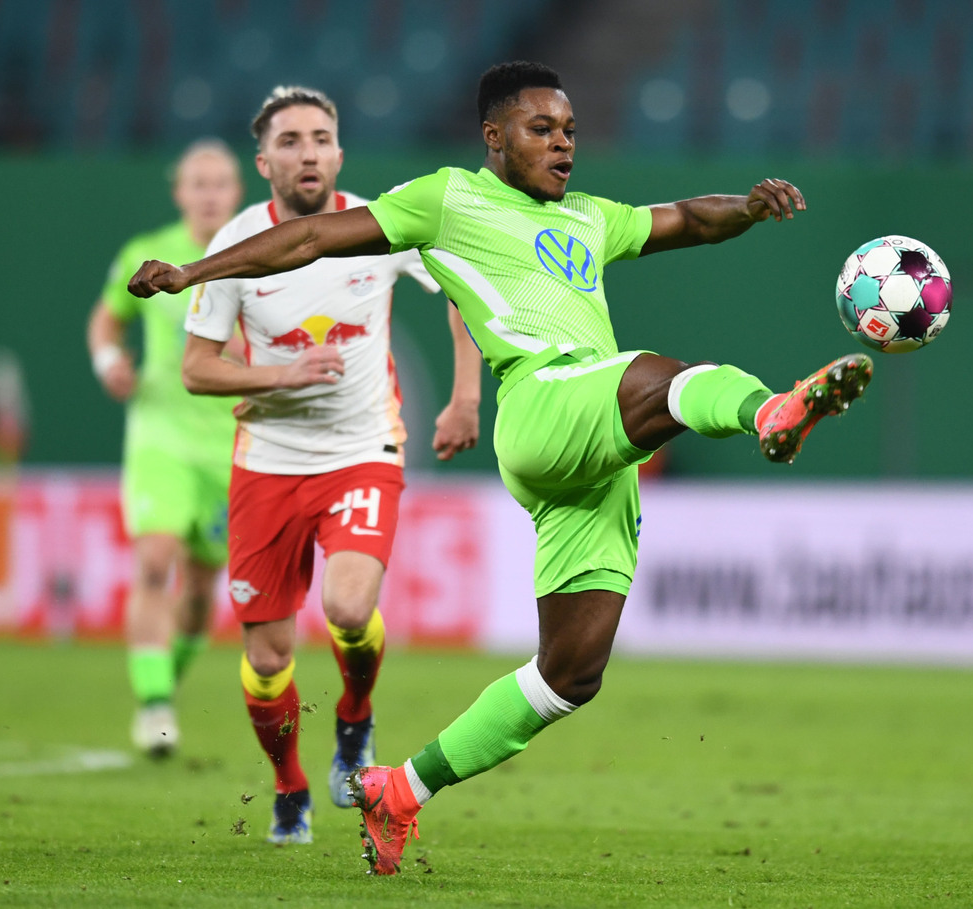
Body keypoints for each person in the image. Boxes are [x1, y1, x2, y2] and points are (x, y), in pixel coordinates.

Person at [129, 62, 873, 873]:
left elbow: (689, 218)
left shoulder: (589, 216)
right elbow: (310, 238)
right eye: (541, 129)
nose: (563, 145)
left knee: (568, 676)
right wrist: (193, 273)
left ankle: (399, 790)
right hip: (543, 404)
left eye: (570, 131)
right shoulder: (448, 199)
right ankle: (770, 411)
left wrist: (751, 208)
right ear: (494, 137)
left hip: (595, 464)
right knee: (663, 376)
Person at [177, 86, 482, 845]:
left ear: (340, 154)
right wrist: (280, 376)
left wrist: (465, 397)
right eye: (290, 141)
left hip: (362, 450)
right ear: (264, 163)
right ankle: (290, 786)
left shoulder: (381, 226)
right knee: (268, 657)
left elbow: (465, 293)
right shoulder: (236, 248)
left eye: (320, 138)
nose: (307, 152)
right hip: (268, 464)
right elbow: (197, 368)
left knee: (348, 608)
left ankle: (355, 718)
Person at [88, 138, 244, 758]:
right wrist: (108, 361)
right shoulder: (145, 255)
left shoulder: (256, 254)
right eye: (197, 184)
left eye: (219, 183)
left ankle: (163, 687)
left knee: (202, 592)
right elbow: (107, 318)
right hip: (162, 434)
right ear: (179, 192)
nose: (209, 195)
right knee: (155, 560)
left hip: (231, 444)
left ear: (237, 191)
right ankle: (154, 706)